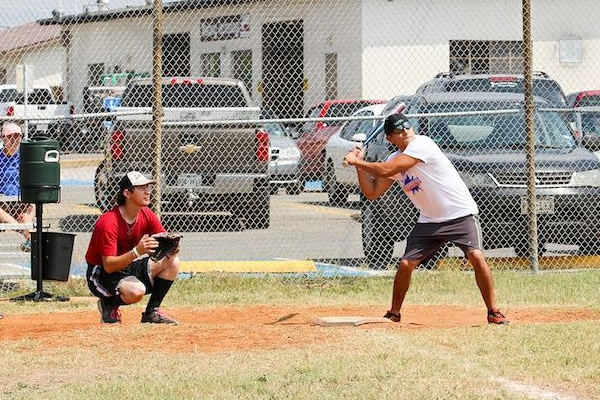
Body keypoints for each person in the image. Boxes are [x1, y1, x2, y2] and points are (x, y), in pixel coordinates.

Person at [344, 113, 509, 325]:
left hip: (460, 214)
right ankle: (394, 312)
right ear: (389, 138)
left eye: (407, 126)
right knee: (405, 264)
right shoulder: (393, 159)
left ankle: (493, 311)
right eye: (398, 130)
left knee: (476, 256)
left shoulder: (423, 144)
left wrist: (360, 161)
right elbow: (372, 192)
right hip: (429, 220)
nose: (405, 131)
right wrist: (358, 165)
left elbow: (387, 170)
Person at [85, 171, 180, 324]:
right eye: (141, 187)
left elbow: (162, 236)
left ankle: (151, 312)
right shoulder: (108, 222)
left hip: (126, 267)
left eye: (148, 186)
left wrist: (170, 246)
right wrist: (137, 251)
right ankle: (108, 304)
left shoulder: (146, 214)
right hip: (101, 274)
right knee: (136, 291)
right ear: (127, 193)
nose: (148, 191)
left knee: (172, 261)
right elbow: (108, 266)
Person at [0, 122, 35, 252]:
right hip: (3, 201)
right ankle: (26, 233)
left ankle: (32, 241)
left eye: (17, 137)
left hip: (20, 200)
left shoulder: (24, 157)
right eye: (11, 137)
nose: (15, 141)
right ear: (3, 138)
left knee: (27, 214)